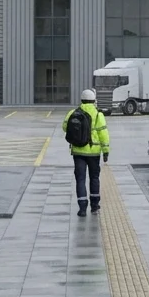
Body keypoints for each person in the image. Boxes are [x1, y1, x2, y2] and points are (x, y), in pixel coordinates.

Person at [62, 89, 110, 217]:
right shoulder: (98, 114)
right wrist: (106, 151)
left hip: (78, 151)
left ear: (81, 100)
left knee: (80, 179)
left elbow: (64, 127)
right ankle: (95, 206)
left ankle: (82, 208)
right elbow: (103, 134)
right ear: (94, 100)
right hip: (94, 153)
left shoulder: (74, 113)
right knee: (94, 178)